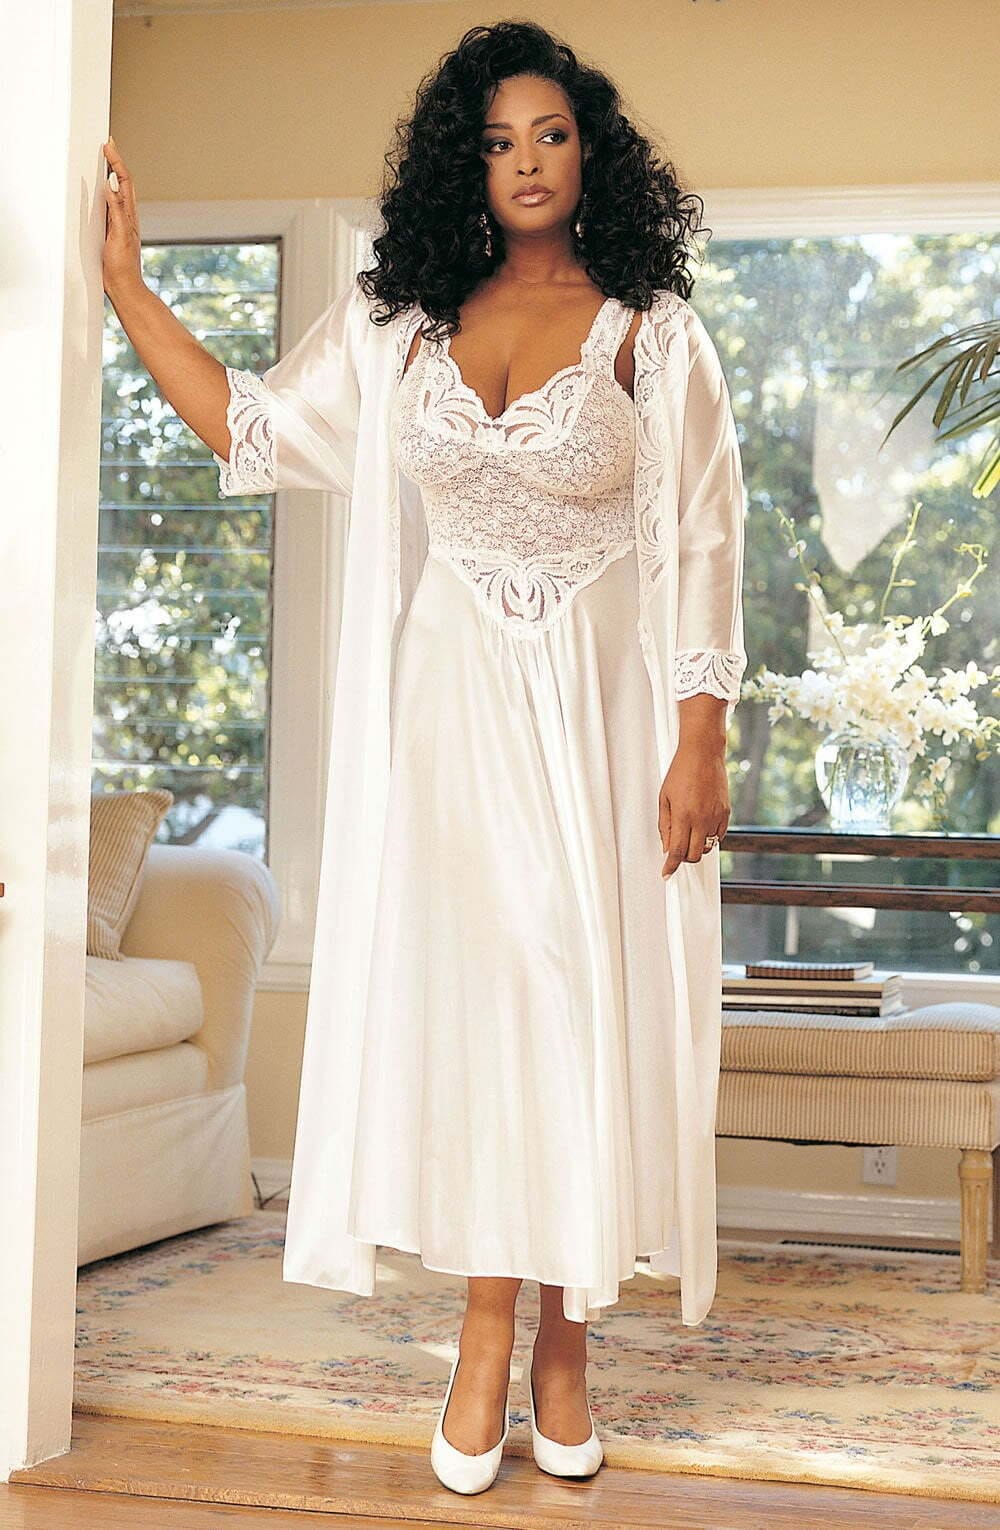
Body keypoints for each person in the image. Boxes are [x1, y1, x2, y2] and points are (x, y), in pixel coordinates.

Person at [101, 18, 747, 1497]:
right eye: (498, 140)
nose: (527, 162)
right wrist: (129, 287)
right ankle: (483, 1331)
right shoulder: (395, 328)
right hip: (448, 720)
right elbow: (252, 431)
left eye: (552, 134)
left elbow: (711, 538)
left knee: (578, 1005)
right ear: (466, 164)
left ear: (591, 153)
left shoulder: (652, 331)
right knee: (480, 1013)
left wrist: (699, 738)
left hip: (600, 717)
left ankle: (567, 1339)